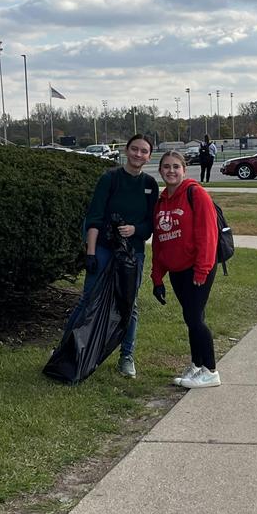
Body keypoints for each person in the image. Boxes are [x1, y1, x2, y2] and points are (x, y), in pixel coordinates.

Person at [62, 134, 159, 378]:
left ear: (149, 156)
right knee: (88, 299)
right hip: (104, 250)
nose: (138, 154)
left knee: (129, 305)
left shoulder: (150, 184)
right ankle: (66, 348)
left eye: (144, 151)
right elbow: (94, 217)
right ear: (126, 151)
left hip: (132, 254)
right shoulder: (110, 178)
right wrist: (91, 253)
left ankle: (126, 356)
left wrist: (135, 230)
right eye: (134, 149)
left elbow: (151, 223)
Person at [151, 150, 221, 389]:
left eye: (176, 167)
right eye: (166, 167)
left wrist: (202, 270)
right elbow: (160, 242)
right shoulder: (160, 202)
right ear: (160, 170)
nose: (171, 171)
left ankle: (211, 371)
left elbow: (208, 235)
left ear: (184, 170)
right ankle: (197, 365)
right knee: (191, 318)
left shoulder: (196, 194)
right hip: (176, 271)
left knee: (194, 317)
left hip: (197, 269)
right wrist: (157, 277)